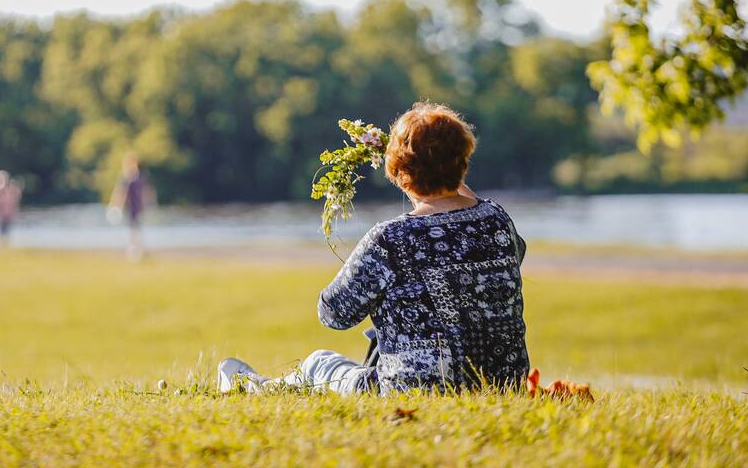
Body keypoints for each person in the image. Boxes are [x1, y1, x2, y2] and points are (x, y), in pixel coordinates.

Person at [217, 102, 529, 395]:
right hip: (503, 384)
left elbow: (334, 313)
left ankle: (251, 387)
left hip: (415, 388)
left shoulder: (390, 238)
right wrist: (451, 176)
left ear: (400, 174)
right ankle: (258, 384)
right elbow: (514, 252)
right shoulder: (497, 220)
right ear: (463, 163)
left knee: (318, 363)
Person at [107, 153, 153, 261]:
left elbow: (145, 193)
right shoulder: (128, 178)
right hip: (130, 209)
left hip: (136, 209)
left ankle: (136, 253)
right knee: (133, 231)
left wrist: (147, 205)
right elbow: (120, 193)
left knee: (135, 231)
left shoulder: (137, 178)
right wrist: (116, 205)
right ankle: (135, 253)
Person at [0, 171, 22, 245]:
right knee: (2, 228)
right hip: (1, 214)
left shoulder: (11, 191)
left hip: (9, 213)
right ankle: (2, 241)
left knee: (7, 228)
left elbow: (15, 200)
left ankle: (5, 241)